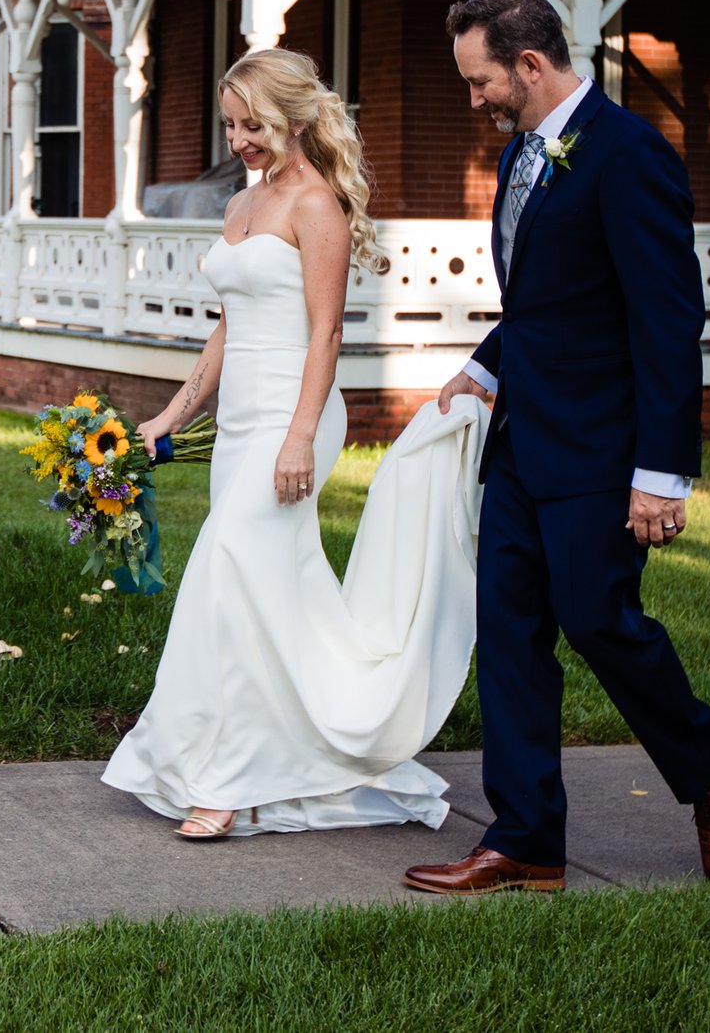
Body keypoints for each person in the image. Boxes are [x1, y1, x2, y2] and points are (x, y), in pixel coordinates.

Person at [403, 0, 710, 894]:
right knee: (510, 630)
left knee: (600, 620)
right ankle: (524, 839)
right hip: (523, 443)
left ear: (529, 64)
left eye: (480, 80)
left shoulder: (631, 156)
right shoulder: (525, 150)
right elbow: (547, 299)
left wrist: (662, 473)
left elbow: (668, 321)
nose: (473, 99)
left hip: (605, 450)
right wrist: (487, 365)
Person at [103, 48, 483, 839]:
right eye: (232, 124)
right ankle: (257, 745)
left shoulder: (315, 205)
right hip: (241, 423)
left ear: (295, 117)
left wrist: (300, 437)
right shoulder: (244, 204)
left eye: (253, 124)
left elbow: (326, 333)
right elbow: (229, 323)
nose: (239, 139)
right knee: (265, 594)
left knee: (227, 568)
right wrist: (172, 416)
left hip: (294, 416)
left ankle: (232, 779)